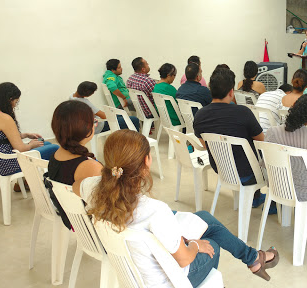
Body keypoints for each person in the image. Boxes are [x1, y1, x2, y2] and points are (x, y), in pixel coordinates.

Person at [82, 129, 279, 287]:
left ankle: (253, 258)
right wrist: (195, 245)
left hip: (132, 271)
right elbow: (184, 260)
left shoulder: (90, 189)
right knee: (212, 245)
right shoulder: (154, 210)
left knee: (203, 217)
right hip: (167, 281)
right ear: (146, 163)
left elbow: (76, 186)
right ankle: (254, 258)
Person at [193, 68, 268, 210]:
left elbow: (205, 145)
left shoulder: (200, 115)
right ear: (231, 92)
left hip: (221, 168)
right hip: (247, 172)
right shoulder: (243, 112)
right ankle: (267, 201)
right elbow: (261, 141)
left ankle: (255, 197)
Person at [0, 83, 59, 176]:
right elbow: (21, 149)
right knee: (55, 149)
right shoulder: (3, 118)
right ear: (9, 100)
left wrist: (25, 135)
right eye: (16, 102)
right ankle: (46, 181)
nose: (14, 105)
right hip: (8, 163)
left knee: (46, 144)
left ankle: (27, 181)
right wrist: (30, 144)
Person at [48, 100, 103, 229]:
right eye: (94, 121)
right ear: (84, 128)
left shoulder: (56, 155)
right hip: (90, 225)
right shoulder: (88, 166)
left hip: (69, 217)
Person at [265, 93, 307, 204]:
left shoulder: (272, 132)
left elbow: (265, 161)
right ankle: (305, 214)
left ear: (293, 106)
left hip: (276, 187)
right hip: (305, 192)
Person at [70, 81, 140, 133]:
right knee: (133, 119)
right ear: (88, 94)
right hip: (98, 126)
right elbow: (104, 116)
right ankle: (136, 142)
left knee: (121, 116)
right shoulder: (84, 103)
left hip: (88, 124)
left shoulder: (72, 97)